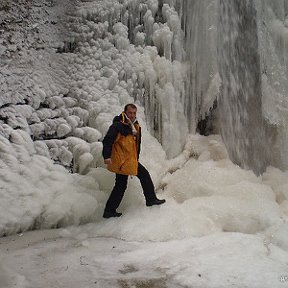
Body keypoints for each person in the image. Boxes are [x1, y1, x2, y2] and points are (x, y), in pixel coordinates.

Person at [102, 103, 165, 218]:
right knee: (142, 176)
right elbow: (107, 140)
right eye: (130, 113)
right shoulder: (118, 126)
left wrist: (136, 157)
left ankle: (109, 211)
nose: (132, 115)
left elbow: (135, 144)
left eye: (134, 113)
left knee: (121, 185)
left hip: (129, 160)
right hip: (122, 161)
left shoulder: (134, 125)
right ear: (125, 112)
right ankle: (151, 199)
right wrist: (106, 156)